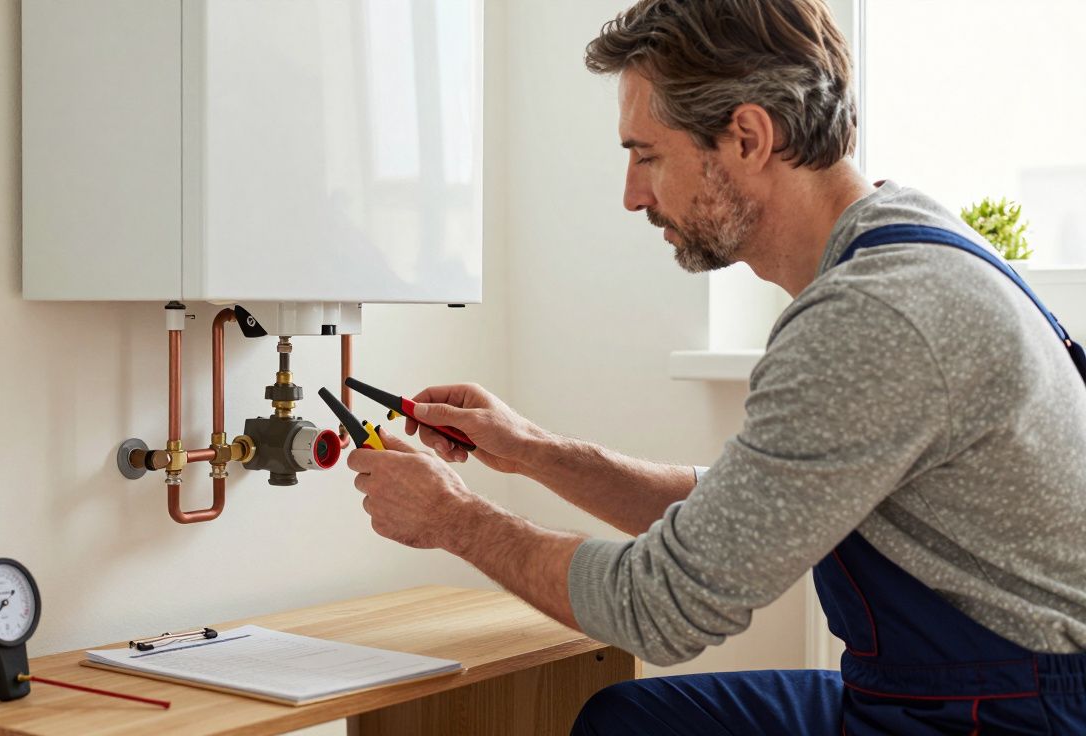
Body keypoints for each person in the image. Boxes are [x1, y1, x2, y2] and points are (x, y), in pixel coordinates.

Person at [345, 0, 1086, 732]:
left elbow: (659, 608)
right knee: (629, 722)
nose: (633, 195)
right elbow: (742, 514)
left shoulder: (873, 318)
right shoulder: (906, 238)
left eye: (647, 155)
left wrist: (454, 519)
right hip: (949, 690)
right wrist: (537, 453)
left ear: (748, 137)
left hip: (1006, 716)